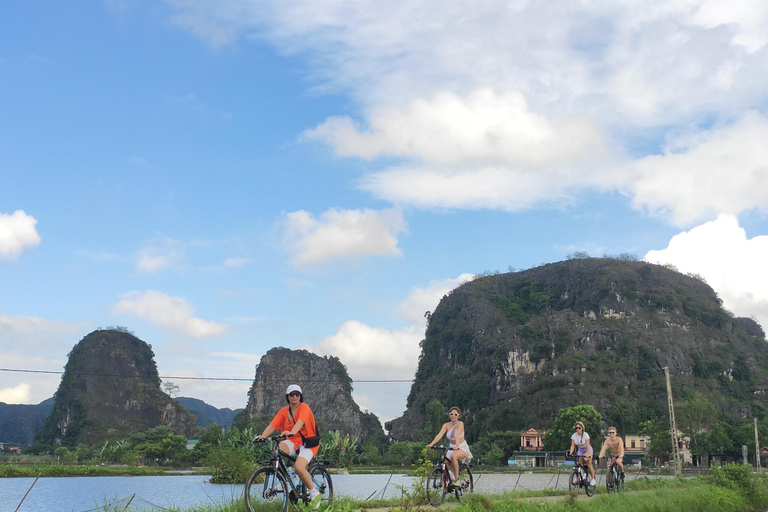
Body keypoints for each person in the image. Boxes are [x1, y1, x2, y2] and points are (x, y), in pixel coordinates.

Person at [254, 384, 321, 502]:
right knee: (277, 451)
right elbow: (272, 426)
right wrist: (262, 437)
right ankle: (286, 478)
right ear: (288, 397)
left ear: (300, 396)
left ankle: (314, 493)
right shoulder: (283, 412)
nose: (295, 397)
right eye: (292, 394)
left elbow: (300, 422)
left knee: (299, 467)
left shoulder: (304, 407)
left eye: (297, 394)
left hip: (308, 443)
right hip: (293, 442)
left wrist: (291, 432)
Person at [427, 406, 473, 487]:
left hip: (461, 446)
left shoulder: (460, 424)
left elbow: (458, 434)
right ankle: (450, 479)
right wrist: (431, 444)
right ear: (449, 415)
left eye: (456, 414)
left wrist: (457, 445)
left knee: (454, 456)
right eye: (451, 414)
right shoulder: (446, 425)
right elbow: (439, 435)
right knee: (445, 463)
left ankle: (457, 479)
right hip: (451, 447)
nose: (453, 416)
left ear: (459, 416)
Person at [567, 421, 596, 486]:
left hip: (587, 449)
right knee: (580, 463)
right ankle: (579, 476)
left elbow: (588, 445)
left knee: (589, 464)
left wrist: (588, 454)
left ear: (582, 428)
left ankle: (593, 479)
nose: (577, 429)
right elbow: (572, 446)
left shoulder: (585, 435)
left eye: (579, 428)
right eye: (576, 428)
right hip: (580, 449)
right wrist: (570, 453)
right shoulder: (574, 436)